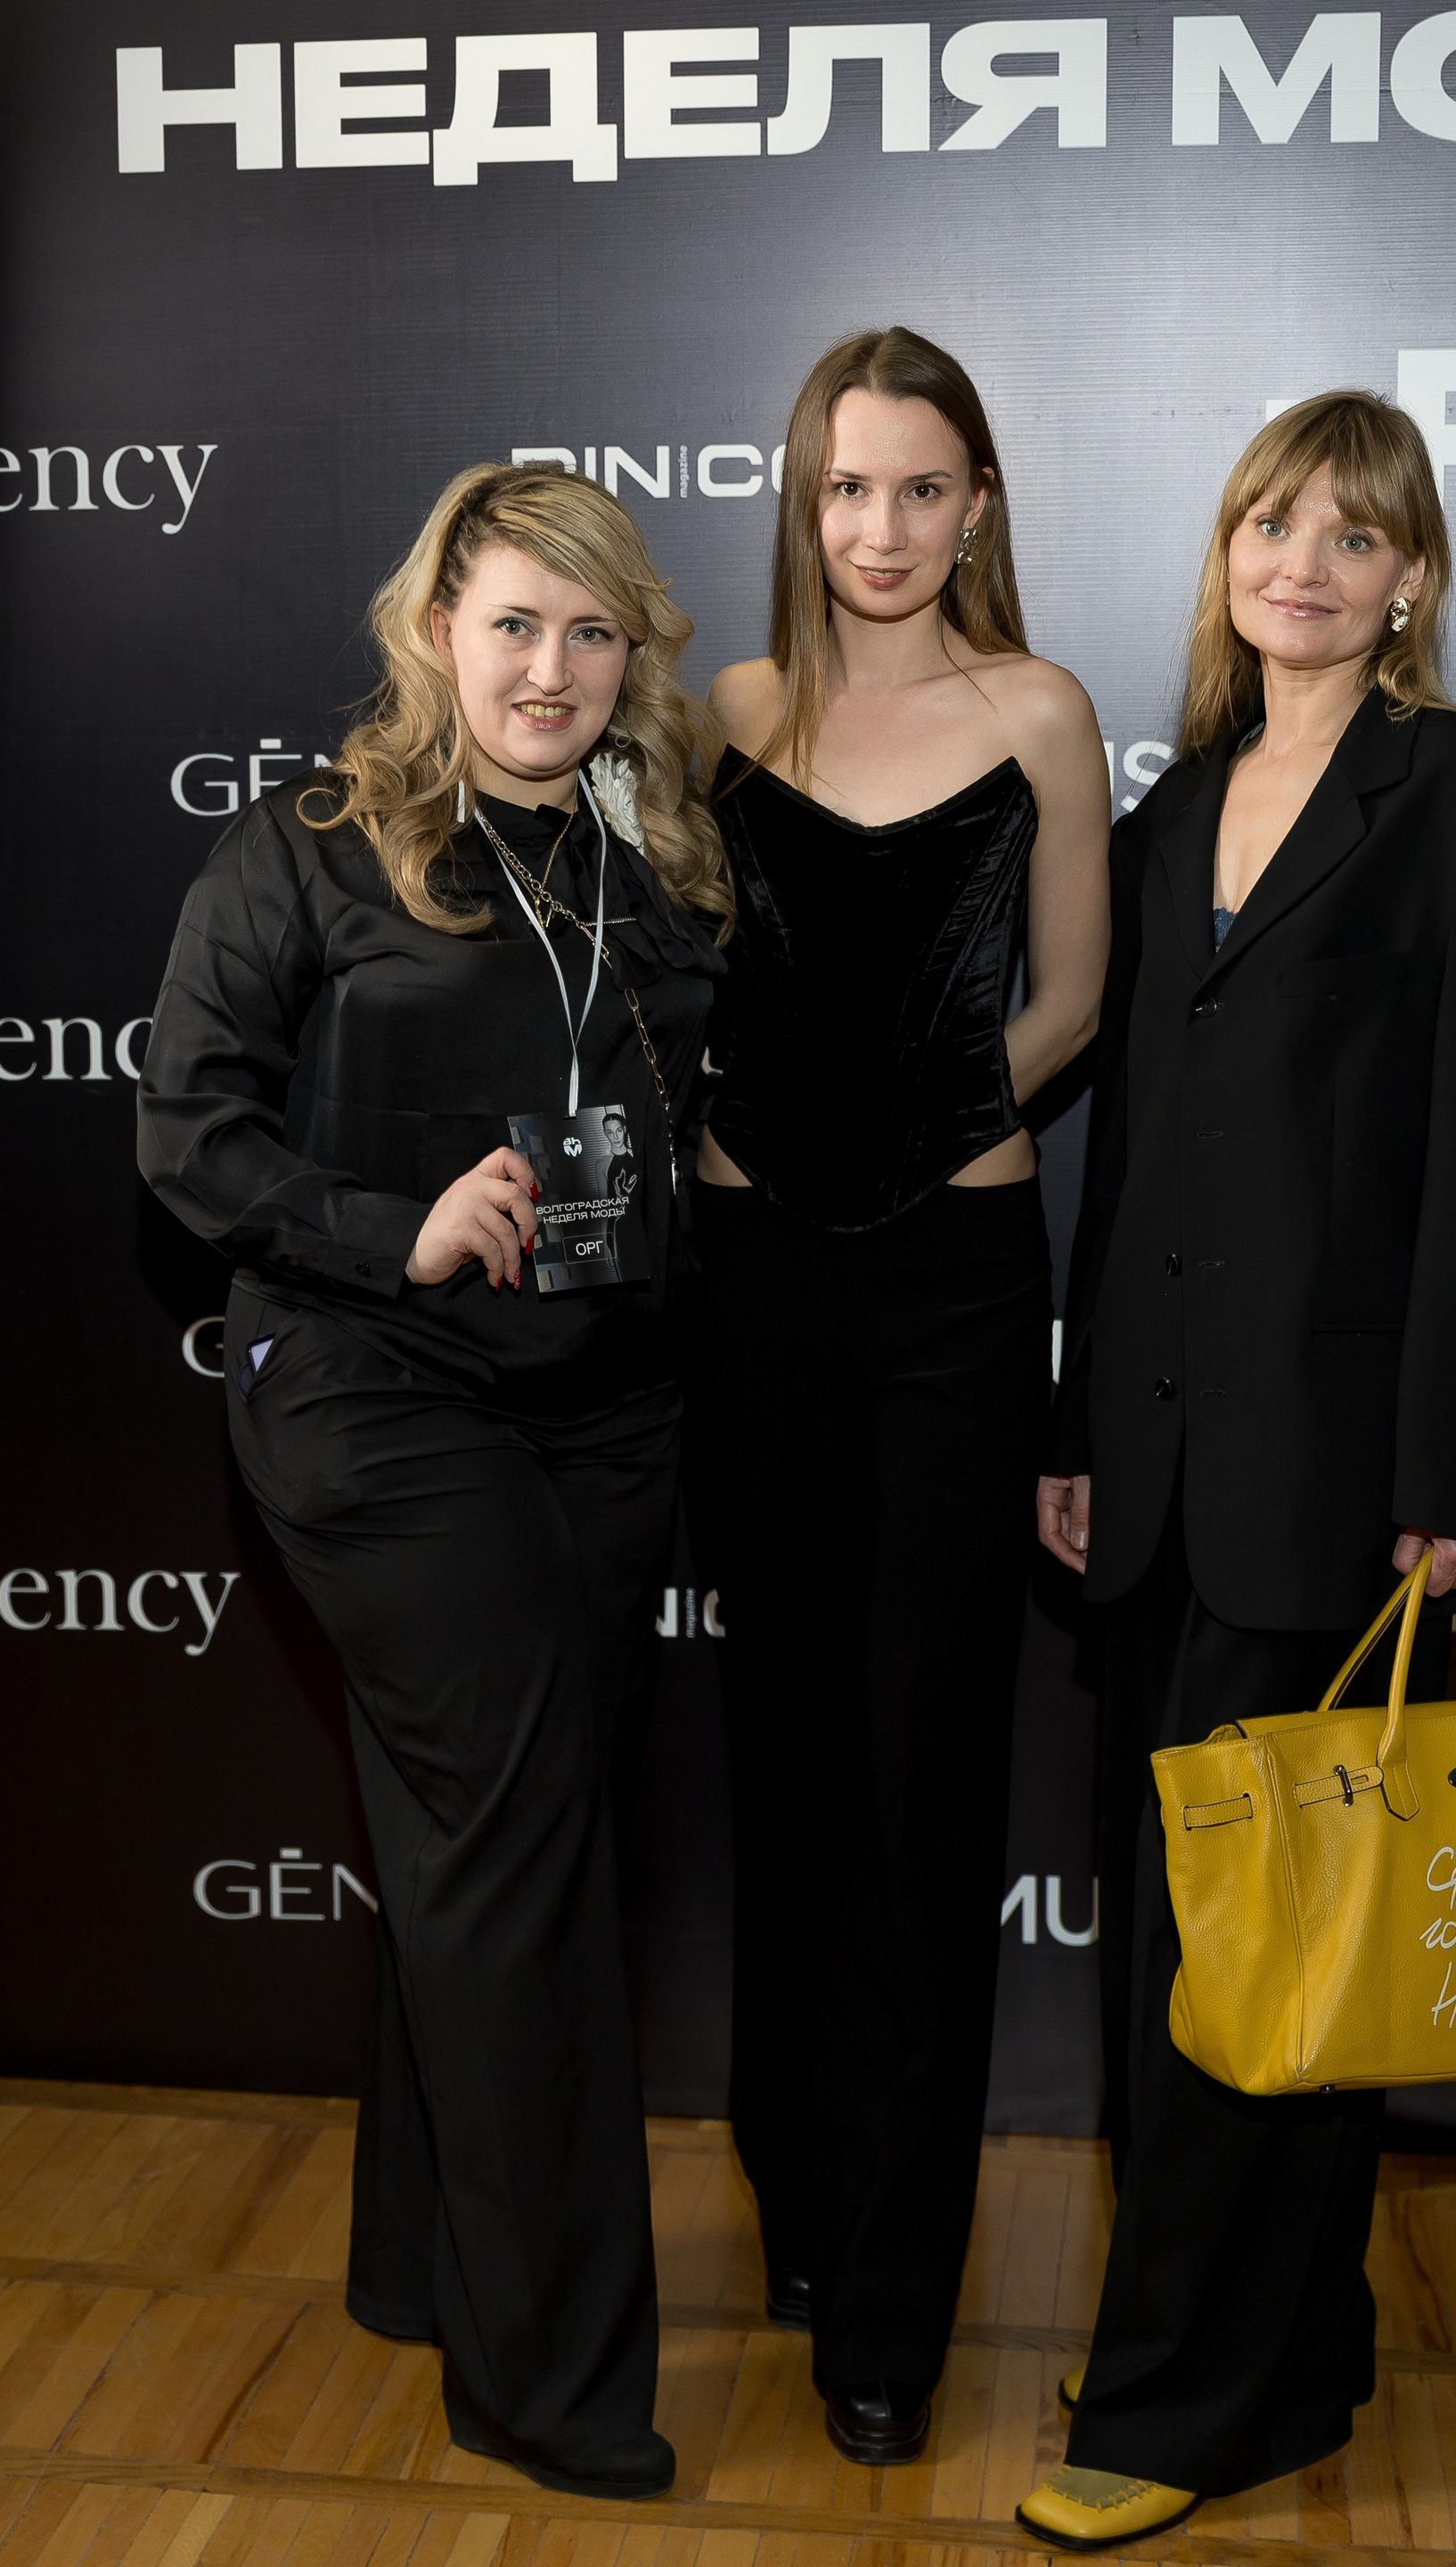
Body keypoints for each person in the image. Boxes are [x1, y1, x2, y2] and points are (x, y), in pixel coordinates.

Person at [1018, 390, 1456, 2547]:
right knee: (1214, 1943)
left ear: (1414, 574)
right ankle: (1288, 2352)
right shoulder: (1175, 808)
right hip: (1155, 1479)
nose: (1308, 566)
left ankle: (1181, 2406)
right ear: (1228, 553)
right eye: (1276, 524)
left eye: (1358, 535)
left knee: (1263, 1961)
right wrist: (1076, 1422)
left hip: (1341, 1489)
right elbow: (1133, 1158)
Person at [137, 463, 730, 2499]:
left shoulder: (655, 865)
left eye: (590, 631)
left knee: (489, 1849)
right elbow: (186, 1134)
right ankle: (553, 2382)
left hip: (606, 1408)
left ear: (631, 652)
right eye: (512, 625)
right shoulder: (308, 848)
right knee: (518, 1861)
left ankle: (418, 2265)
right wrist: (392, 1228)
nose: (550, 669)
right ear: (435, 631)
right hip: (376, 1397)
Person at [692, 325, 1112, 2464]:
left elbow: (1075, 1000)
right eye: (847, 486)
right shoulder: (728, 715)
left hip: (954, 1279)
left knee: (923, 1777)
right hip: (753, 1279)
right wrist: (780, 1153)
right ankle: (795, 2180)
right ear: (804, 497)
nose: (881, 527)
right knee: (785, 1755)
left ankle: (891, 2301)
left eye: (920, 487)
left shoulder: (1039, 710)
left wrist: (907, 1132)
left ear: (977, 505)